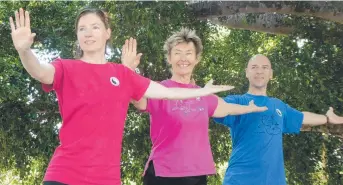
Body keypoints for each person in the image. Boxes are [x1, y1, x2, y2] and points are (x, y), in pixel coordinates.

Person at [9, 8, 234, 185]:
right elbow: (40, 71)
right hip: (64, 172)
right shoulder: (65, 68)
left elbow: (165, 92)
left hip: (106, 178)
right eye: (82, 28)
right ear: (77, 35)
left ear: (107, 33)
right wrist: (24, 51)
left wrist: (202, 91)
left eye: (95, 27)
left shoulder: (122, 75)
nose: (88, 33)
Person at [121, 28, 268, 185]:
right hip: (162, 174)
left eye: (189, 53)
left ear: (196, 59)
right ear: (169, 58)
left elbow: (227, 108)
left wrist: (249, 108)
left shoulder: (204, 94)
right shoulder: (159, 89)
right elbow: (137, 99)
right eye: (177, 53)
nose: (183, 58)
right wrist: (127, 70)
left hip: (197, 176)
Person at [213, 54, 343, 185]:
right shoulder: (237, 101)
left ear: (271, 74)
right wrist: (199, 93)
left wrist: (327, 118)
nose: (259, 71)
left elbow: (302, 117)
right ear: (247, 72)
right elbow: (214, 105)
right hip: (239, 180)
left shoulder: (278, 105)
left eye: (265, 67)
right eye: (254, 67)